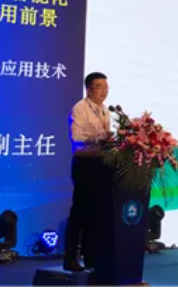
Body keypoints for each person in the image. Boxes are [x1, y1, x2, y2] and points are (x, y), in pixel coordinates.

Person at [63, 72, 114, 272]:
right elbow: (76, 137)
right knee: (79, 213)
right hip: (84, 165)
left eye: (106, 86)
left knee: (95, 214)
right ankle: (70, 258)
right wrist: (99, 136)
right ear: (89, 89)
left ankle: (91, 257)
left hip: (100, 165)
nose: (104, 90)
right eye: (100, 86)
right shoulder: (80, 108)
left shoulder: (104, 110)